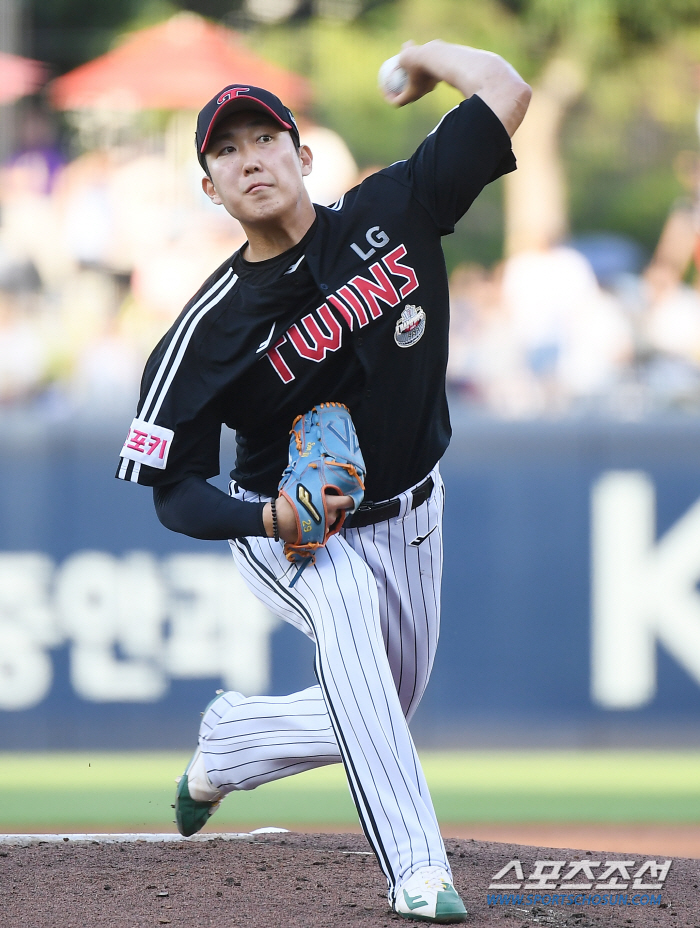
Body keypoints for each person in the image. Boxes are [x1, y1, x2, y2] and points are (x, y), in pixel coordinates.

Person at [116, 40, 530, 924]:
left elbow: (507, 87)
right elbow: (173, 491)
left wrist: (423, 56)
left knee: (387, 699)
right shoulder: (204, 332)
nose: (248, 158)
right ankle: (418, 872)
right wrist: (267, 515)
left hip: (415, 508)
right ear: (211, 189)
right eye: (224, 150)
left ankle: (230, 744)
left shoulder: (398, 205)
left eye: (264, 137)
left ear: (302, 157)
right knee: (349, 633)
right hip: (293, 530)